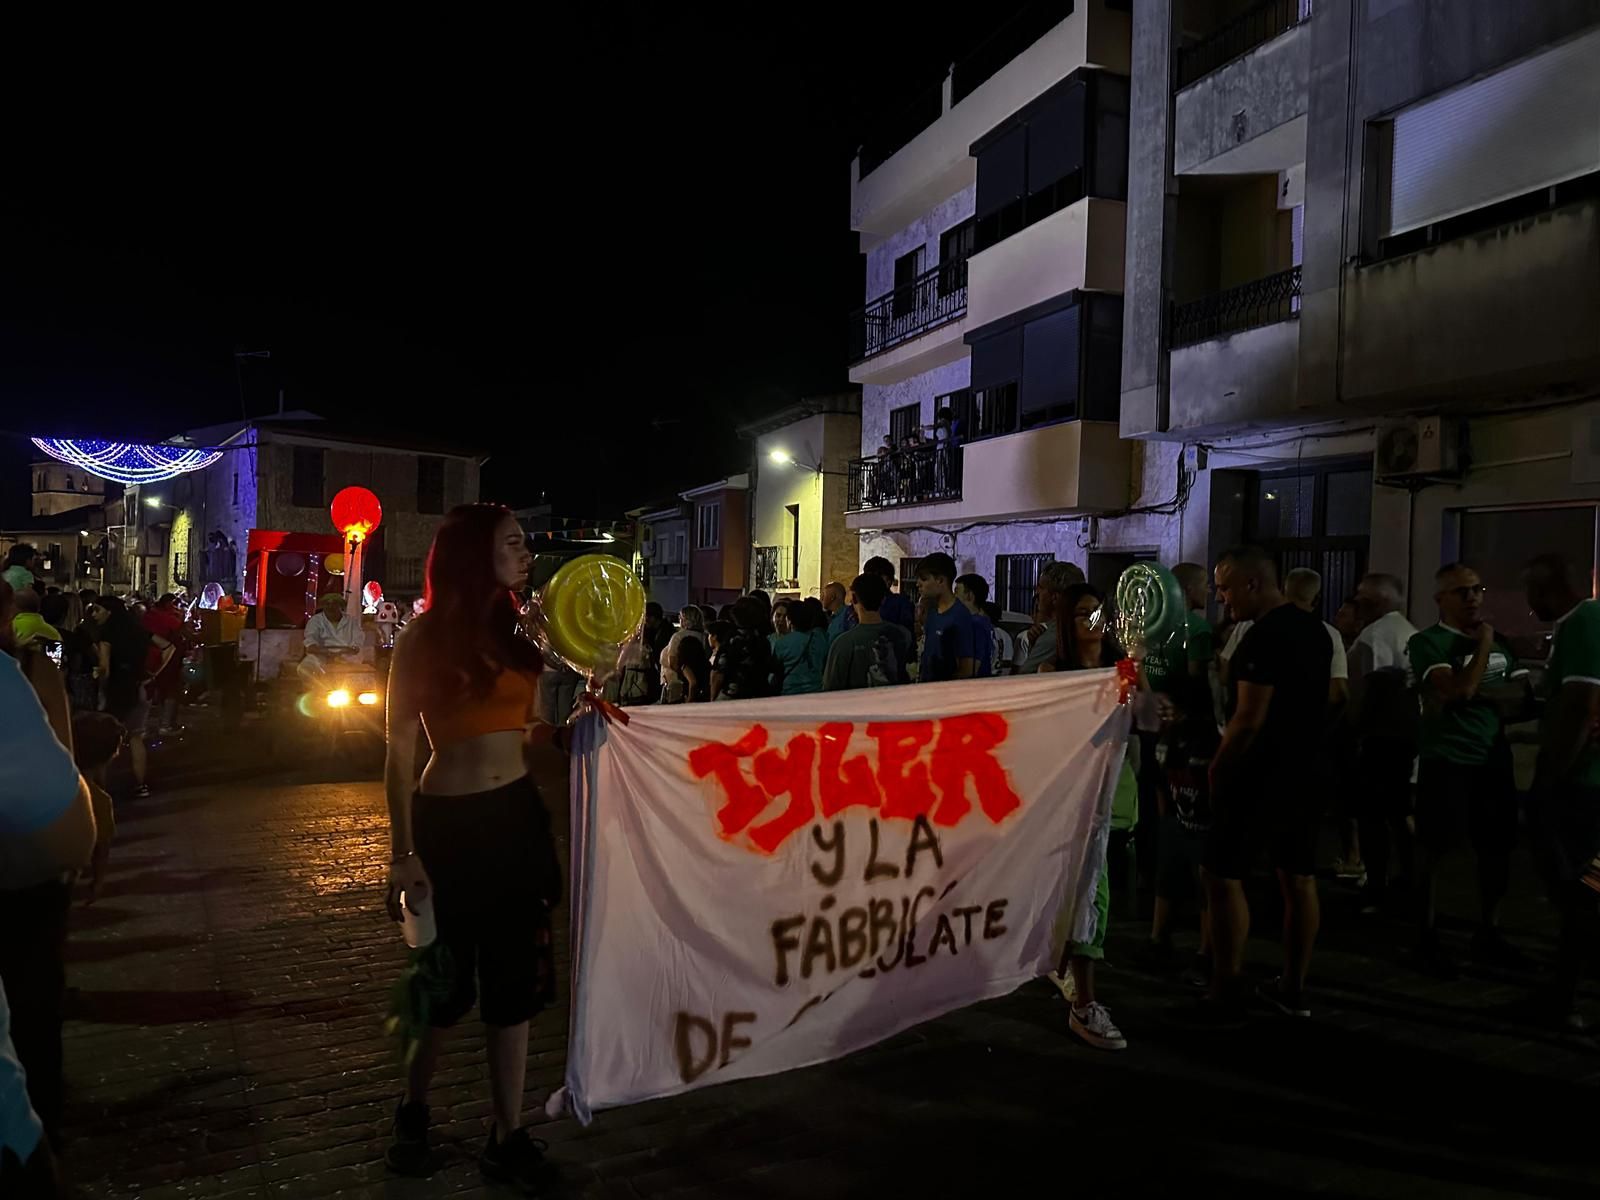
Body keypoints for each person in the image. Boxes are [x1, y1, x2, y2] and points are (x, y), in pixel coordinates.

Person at [382, 504, 560, 1188]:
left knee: (514, 985)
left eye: (523, 543)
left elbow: (531, 726)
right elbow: (398, 752)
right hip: (448, 826)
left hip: (515, 818)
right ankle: (414, 1111)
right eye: (512, 542)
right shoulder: (423, 640)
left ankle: (506, 1133)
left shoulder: (522, 635)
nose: (525, 552)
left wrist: (566, 734)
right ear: (471, 555)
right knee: (443, 985)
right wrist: (402, 851)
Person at [1204, 547, 1332, 1019]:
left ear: (1253, 584)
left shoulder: (1263, 636)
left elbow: (1248, 717)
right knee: (1298, 876)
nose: (1221, 598)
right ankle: (1293, 984)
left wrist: (1220, 766)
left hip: (1261, 772)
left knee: (1222, 873)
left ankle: (1225, 983)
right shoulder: (1316, 630)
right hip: (1308, 766)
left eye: (1226, 587)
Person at [0, 577, 98, 1155]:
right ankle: (44, 1118)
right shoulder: (29, 669)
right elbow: (63, 749)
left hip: (24, 840)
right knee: (37, 981)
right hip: (56, 831)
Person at [1406, 562, 1529, 976]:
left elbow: (1523, 697)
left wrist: (1479, 691)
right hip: (1448, 759)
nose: (1473, 597)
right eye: (1462, 592)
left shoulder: (1503, 644)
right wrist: (1483, 650)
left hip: (1492, 759)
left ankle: (1488, 932)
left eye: (1477, 588)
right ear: (1441, 599)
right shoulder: (1428, 643)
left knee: (1496, 848)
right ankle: (1424, 936)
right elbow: (1459, 691)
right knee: (1435, 850)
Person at [1038, 583, 1128, 1050]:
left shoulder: (1123, 670)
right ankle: (1084, 1000)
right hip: (1070, 802)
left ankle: (1072, 976)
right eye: (1080, 614)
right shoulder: (1054, 673)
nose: (1091, 621)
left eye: (1098, 612)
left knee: (1089, 894)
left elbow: (1147, 721)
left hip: (1113, 798)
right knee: (1087, 893)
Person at [1524, 553, 1600, 1030]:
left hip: (1582, 787)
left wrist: (1550, 780)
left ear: (1546, 589)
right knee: (1587, 888)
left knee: (1576, 889)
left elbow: (1578, 703)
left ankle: (1563, 999)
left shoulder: (1583, 622)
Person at [1143, 563, 1216, 979]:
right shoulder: (1196, 630)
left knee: (1164, 817)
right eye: (1207, 584)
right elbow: (1197, 682)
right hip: (1189, 736)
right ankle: (1204, 945)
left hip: (1156, 729)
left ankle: (1160, 929)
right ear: (1189, 589)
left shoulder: (1155, 627)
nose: (1210, 591)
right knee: (1195, 838)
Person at [1348, 573, 1418, 914]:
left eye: (1362, 597)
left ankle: (1378, 882)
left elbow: (1372, 692)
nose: (1356, 602)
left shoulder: (1374, 637)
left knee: (1373, 816)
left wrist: (1356, 731)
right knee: (1400, 812)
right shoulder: (1411, 634)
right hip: (1406, 738)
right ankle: (1410, 877)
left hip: (1378, 740)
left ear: (1377, 601)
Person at [90, 597, 157, 799]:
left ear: (109, 612)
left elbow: (105, 668)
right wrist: (153, 674)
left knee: (105, 739)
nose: (94, 615)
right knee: (136, 737)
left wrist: (98, 682)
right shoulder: (138, 630)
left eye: (97, 610)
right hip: (138, 687)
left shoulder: (107, 633)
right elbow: (167, 647)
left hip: (116, 691)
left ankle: (101, 789)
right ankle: (141, 784)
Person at [823, 573, 913, 691]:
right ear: (883, 599)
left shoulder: (843, 643)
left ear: (854, 598)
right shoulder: (903, 635)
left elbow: (831, 689)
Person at [1015, 560, 1088, 674]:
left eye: (1041, 587)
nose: (1037, 593)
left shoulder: (1055, 633)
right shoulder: (1085, 627)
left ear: (1055, 597)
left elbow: (1023, 677)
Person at [914, 553, 975, 683]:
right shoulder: (932, 611)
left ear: (941, 580)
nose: (918, 584)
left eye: (924, 579)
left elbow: (966, 669)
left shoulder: (959, 616)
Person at [711, 596, 776, 701]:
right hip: (758, 696)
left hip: (732, 694)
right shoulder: (762, 640)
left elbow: (719, 671)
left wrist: (712, 698)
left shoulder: (732, 638)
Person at [299, 593, 364, 681]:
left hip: (347, 656)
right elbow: (310, 640)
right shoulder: (315, 621)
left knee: (362, 672)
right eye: (327, 604)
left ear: (340, 606)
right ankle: (313, 690)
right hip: (321, 656)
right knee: (305, 667)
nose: (331, 607)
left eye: (334, 604)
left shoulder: (351, 621)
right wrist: (323, 651)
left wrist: (351, 649)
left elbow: (358, 639)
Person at [768, 600, 827, 695]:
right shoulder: (820, 638)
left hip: (791, 691)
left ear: (789, 620)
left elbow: (774, 668)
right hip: (816, 690)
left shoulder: (783, 643)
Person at [845, 557, 915, 635]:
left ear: (889, 581)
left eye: (877, 578)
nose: (872, 582)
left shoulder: (900, 603)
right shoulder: (858, 602)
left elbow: (907, 634)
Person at [953, 574, 996, 678]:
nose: (953, 596)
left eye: (957, 591)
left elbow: (971, 670)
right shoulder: (984, 621)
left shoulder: (974, 625)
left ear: (969, 596)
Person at [674, 635, 711, 703]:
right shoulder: (705, 663)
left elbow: (693, 682)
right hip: (706, 696)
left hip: (696, 698)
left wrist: (689, 699)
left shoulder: (685, 666)